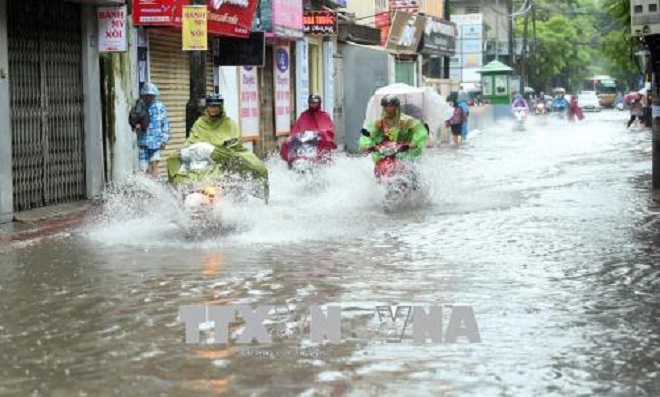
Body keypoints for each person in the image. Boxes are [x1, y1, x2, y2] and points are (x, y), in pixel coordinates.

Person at [167, 94, 268, 197]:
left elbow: (234, 141)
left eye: (216, 106)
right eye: (211, 106)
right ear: (207, 107)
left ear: (221, 107)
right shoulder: (200, 123)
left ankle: (257, 194)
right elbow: (192, 139)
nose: (213, 109)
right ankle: (177, 195)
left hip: (223, 155)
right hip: (204, 155)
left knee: (258, 167)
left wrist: (222, 146)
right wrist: (183, 149)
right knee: (174, 159)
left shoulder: (229, 123)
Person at [359, 94, 428, 160]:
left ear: (396, 106)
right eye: (386, 105)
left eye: (391, 105)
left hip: (404, 154)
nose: (388, 108)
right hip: (384, 153)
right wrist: (368, 146)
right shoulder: (379, 123)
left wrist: (410, 145)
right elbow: (368, 135)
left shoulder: (406, 121)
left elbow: (420, 132)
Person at [280, 94, 337, 167]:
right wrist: (291, 138)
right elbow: (296, 129)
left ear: (319, 103)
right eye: (311, 103)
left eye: (315, 103)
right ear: (308, 103)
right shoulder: (304, 115)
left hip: (319, 145)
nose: (313, 105)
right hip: (306, 145)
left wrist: (320, 134)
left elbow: (329, 131)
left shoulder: (324, 116)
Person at [132, 82, 169, 175]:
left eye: (151, 95)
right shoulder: (139, 106)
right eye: (147, 95)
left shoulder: (160, 107)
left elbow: (165, 124)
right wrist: (136, 125)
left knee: (155, 167)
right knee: (143, 169)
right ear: (143, 95)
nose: (149, 98)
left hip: (156, 142)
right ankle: (146, 187)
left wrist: (164, 140)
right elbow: (133, 120)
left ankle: (155, 186)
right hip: (143, 142)